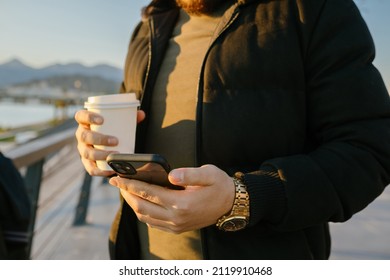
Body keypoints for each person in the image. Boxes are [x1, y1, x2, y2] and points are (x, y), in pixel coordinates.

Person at [75, 0, 390, 260]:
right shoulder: (149, 27)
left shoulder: (315, 9)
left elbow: (369, 150)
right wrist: (93, 145)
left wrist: (243, 198)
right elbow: (124, 129)